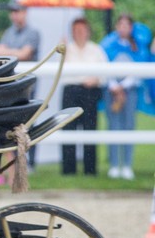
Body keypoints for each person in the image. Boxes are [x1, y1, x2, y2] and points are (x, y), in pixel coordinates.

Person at [101, 13, 150, 180]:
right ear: (116, 26)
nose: (123, 27)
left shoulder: (137, 46)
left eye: (126, 25)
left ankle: (127, 165)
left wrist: (124, 85)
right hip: (111, 90)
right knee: (113, 126)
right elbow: (103, 65)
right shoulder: (108, 45)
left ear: (131, 28)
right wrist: (114, 85)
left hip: (130, 91)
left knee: (129, 125)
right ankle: (114, 165)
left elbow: (140, 68)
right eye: (120, 24)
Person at [60, 16, 106, 177]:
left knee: (90, 128)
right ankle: (69, 169)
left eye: (82, 29)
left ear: (88, 31)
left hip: (89, 91)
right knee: (68, 129)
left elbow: (104, 72)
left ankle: (90, 169)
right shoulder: (67, 48)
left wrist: (96, 79)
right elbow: (59, 71)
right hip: (71, 91)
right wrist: (62, 50)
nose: (79, 33)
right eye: (76, 30)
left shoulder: (96, 49)